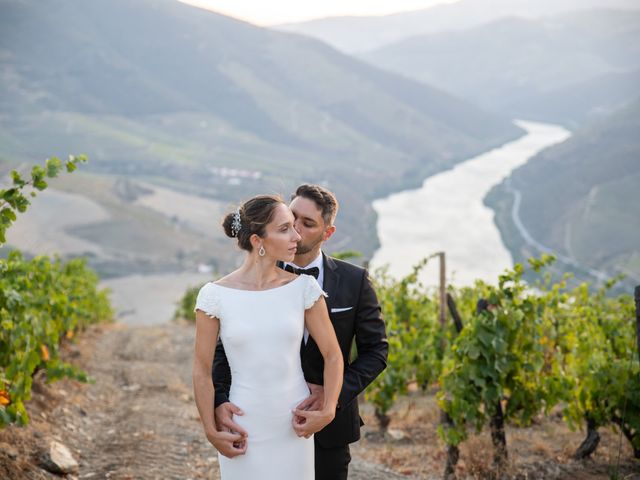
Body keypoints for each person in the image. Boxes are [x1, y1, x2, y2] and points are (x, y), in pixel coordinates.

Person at [214, 185, 389, 480]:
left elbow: (376, 352)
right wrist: (219, 401)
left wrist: (331, 398)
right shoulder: (251, 285)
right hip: (258, 422)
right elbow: (225, 351)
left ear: (327, 233)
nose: (295, 229)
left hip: (327, 429)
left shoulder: (354, 281)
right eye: (291, 218)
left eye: (307, 224)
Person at [192, 194, 344, 480]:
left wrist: (328, 410)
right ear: (257, 241)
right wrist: (210, 430)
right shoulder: (214, 296)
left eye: (294, 227)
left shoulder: (304, 288)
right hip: (242, 425)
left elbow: (333, 355)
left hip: (293, 424)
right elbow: (201, 369)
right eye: (284, 228)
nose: (296, 235)